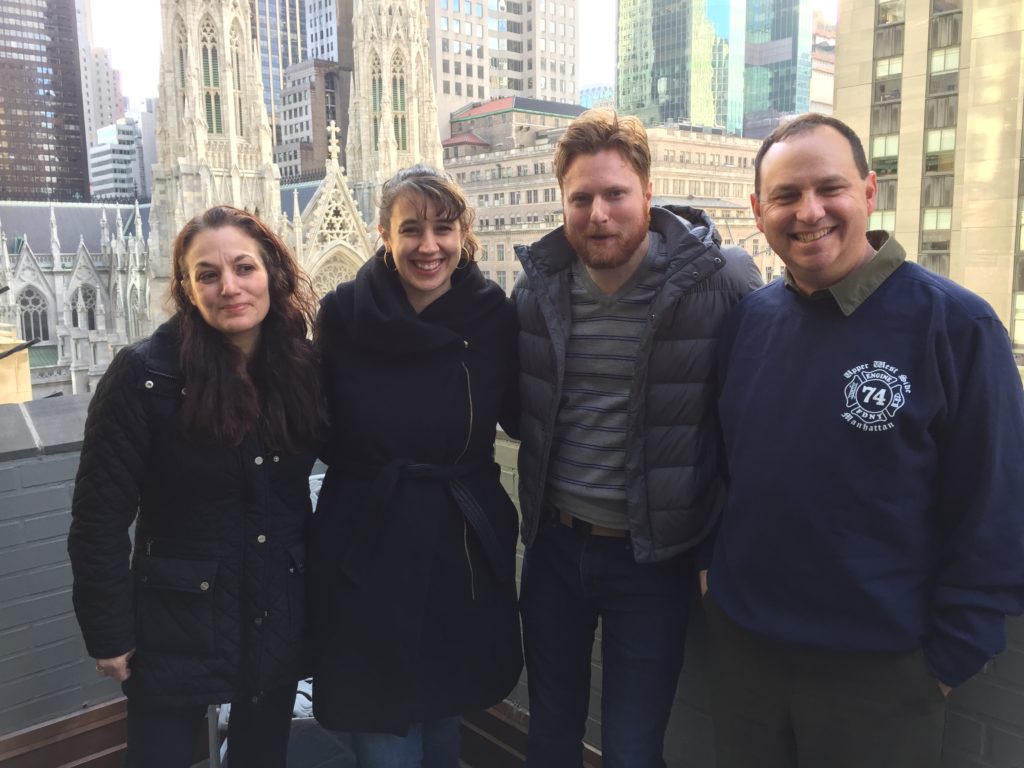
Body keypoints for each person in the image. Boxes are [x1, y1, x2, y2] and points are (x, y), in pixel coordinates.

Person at [704, 112, 1024, 768]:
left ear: (870, 192)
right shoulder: (749, 321)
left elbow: (997, 509)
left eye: (831, 189)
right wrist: (714, 577)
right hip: (747, 656)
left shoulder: (957, 325)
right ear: (758, 211)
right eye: (786, 196)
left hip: (882, 675)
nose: (810, 212)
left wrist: (947, 660)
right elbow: (724, 465)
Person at [512, 108, 761, 767]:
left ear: (648, 194)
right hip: (554, 551)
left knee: (631, 746)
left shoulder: (721, 281)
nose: (599, 214)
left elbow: (751, 417)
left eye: (616, 194)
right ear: (561, 201)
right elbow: (519, 404)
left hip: (653, 561)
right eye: (581, 197)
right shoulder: (535, 290)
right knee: (551, 733)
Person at [68, 206, 327, 767]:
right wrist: (108, 631)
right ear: (186, 289)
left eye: (244, 267)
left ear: (272, 274)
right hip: (175, 622)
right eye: (207, 275)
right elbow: (99, 518)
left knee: (261, 759)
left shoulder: (301, 367)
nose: (229, 287)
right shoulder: (142, 376)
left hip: (274, 612)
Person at [309, 164, 522, 766]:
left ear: (463, 233)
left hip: (458, 537)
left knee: (444, 710)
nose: (429, 247)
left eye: (443, 229)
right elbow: (311, 421)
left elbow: (525, 410)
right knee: (382, 726)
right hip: (366, 536)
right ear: (383, 233)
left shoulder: (492, 313)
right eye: (411, 230)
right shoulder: (343, 313)